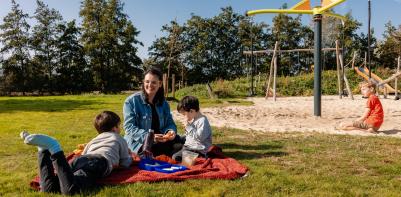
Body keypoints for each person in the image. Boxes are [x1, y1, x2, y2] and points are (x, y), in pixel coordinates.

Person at [20, 111, 132, 195]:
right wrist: (129, 157)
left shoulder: (94, 139)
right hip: (99, 162)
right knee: (71, 190)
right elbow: (126, 162)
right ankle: (54, 147)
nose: (120, 129)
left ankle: (43, 150)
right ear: (114, 128)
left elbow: (84, 153)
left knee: (51, 189)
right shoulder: (119, 138)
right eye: (119, 126)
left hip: (81, 160)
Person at [123, 67, 183, 158]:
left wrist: (170, 131)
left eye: (154, 82)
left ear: (160, 84)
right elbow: (129, 127)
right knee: (161, 151)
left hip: (161, 140)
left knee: (183, 143)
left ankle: (174, 152)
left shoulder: (164, 103)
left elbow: (170, 122)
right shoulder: (131, 101)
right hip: (140, 142)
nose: (150, 85)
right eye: (147, 81)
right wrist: (150, 137)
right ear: (143, 82)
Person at [172, 96, 212, 162]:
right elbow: (190, 136)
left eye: (184, 114)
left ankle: (199, 158)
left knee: (175, 157)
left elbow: (200, 137)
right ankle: (188, 158)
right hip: (190, 147)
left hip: (198, 149)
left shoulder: (202, 121)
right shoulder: (194, 120)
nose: (184, 117)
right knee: (173, 148)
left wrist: (189, 127)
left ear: (191, 111)